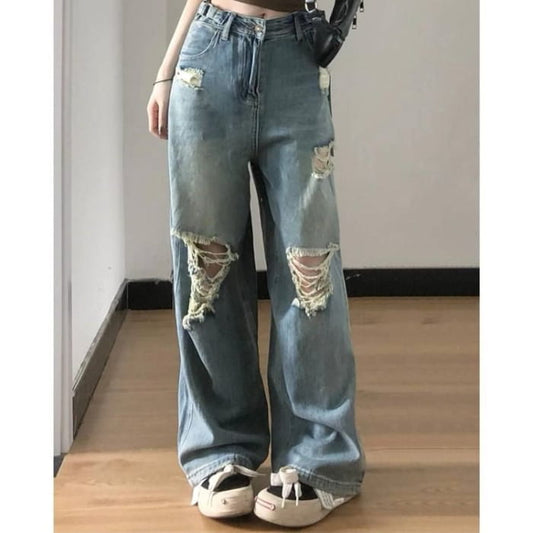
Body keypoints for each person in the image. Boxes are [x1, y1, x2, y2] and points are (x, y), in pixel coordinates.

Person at [146, 0, 366, 527]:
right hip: (208, 57)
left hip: (295, 57)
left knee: (309, 269)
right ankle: (220, 449)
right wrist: (166, 71)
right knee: (207, 267)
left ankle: (320, 457)